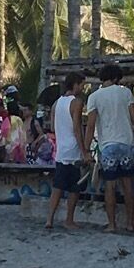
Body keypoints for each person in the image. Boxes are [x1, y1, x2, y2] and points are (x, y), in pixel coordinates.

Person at [87, 64, 134, 234]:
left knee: (110, 186)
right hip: (127, 143)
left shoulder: (94, 97)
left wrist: (86, 149)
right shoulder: (125, 93)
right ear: (117, 78)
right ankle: (130, 223)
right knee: (128, 185)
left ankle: (112, 224)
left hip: (107, 145)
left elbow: (90, 125)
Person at [45, 73, 92, 231]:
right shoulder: (76, 103)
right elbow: (77, 129)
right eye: (82, 85)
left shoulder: (56, 104)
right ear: (76, 85)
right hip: (73, 149)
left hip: (61, 150)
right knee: (74, 188)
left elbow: (52, 127)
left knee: (57, 186)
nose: (83, 88)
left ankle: (50, 218)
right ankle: (69, 219)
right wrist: (84, 150)